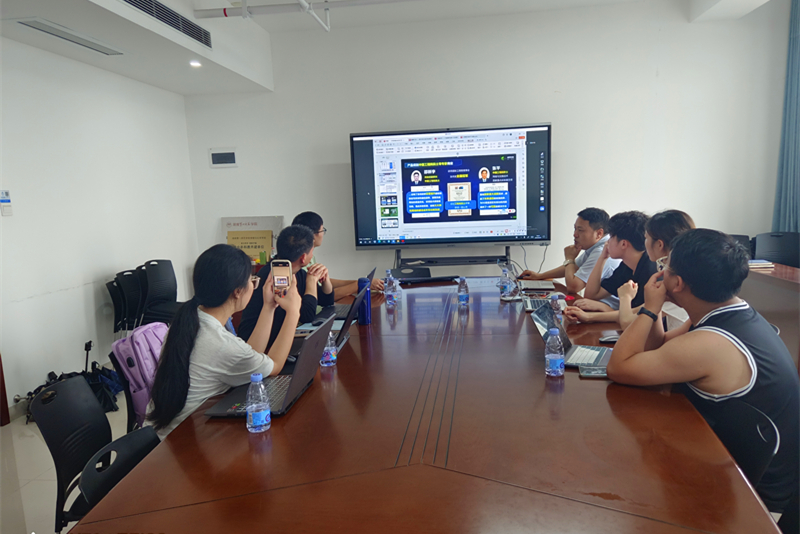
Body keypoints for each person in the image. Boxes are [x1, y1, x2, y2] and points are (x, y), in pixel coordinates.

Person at [606, 229, 799, 513]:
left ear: (678, 283)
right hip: (730, 466)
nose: (660, 271)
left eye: (665, 266)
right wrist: (655, 308)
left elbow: (619, 368)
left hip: (752, 504)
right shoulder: (727, 312)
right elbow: (659, 347)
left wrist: (649, 308)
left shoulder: (709, 344)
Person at [146, 244, 301, 439]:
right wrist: (293, 312)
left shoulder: (190, 320)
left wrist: (269, 306)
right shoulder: (221, 343)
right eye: (252, 280)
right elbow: (275, 366)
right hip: (181, 442)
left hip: (163, 435)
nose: (254, 285)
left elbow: (249, 354)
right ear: (237, 291)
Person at [237, 224, 334, 348]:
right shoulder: (274, 276)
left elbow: (327, 301)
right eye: (312, 251)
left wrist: (325, 279)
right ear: (303, 257)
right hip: (260, 346)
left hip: (275, 343)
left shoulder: (295, 271)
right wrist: (311, 282)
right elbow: (307, 315)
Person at [564, 210, 657, 323]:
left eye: (611, 237)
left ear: (623, 244)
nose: (607, 242)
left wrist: (603, 308)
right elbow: (591, 295)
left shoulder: (651, 272)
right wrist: (602, 258)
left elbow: (636, 318)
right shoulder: (626, 266)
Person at [519, 208, 621, 302]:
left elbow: (573, 287)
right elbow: (573, 266)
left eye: (580, 230)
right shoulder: (595, 247)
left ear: (599, 234)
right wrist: (540, 276)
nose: (575, 234)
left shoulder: (602, 251)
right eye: (575, 229)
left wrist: (569, 258)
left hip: (608, 310)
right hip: (597, 305)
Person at [617, 210, 695, 329]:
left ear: (659, 245)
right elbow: (642, 310)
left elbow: (628, 323)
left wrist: (625, 297)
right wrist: (590, 316)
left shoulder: (675, 280)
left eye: (646, 238)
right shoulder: (686, 270)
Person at [292, 211, 384, 300]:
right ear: (312, 235)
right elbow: (322, 297)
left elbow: (322, 282)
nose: (323, 234)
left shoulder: (310, 256)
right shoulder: (299, 262)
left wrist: (362, 282)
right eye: (322, 230)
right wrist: (360, 285)